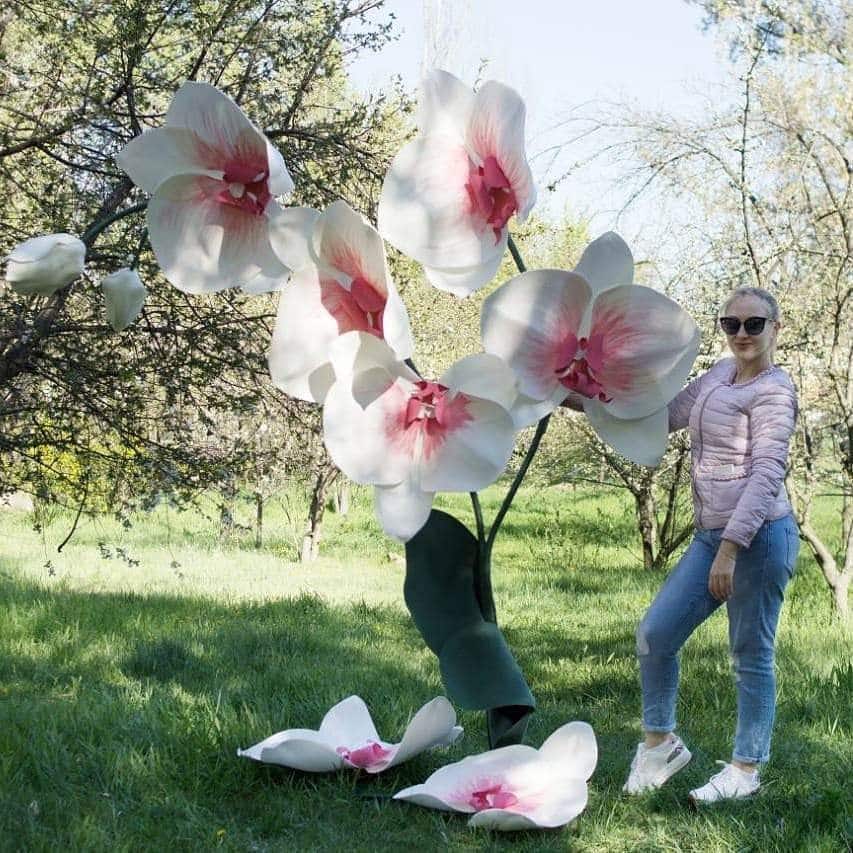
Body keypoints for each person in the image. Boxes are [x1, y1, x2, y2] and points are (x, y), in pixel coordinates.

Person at [620, 286, 800, 804]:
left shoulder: (773, 392)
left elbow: (767, 474)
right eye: (731, 324)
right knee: (655, 635)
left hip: (759, 539)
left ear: (775, 328)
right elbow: (664, 416)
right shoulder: (718, 376)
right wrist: (582, 395)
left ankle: (746, 768)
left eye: (754, 324)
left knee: (750, 652)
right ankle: (660, 744)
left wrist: (730, 550)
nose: (741, 334)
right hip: (710, 536)